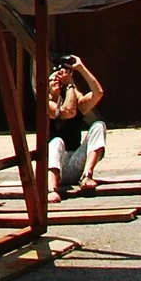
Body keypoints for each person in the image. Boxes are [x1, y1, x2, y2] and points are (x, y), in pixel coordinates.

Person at [46, 53, 107, 197]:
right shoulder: (46, 104)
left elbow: (98, 93)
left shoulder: (73, 96)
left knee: (99, 125)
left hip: (74, 163)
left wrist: (81, 68)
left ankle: (87, 175)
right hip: (53, 166)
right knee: (56, 142)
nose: (56, 81)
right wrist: (69, 86)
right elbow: (67, 112)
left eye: (58, 78)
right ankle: (51, 189)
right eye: (52, 79)